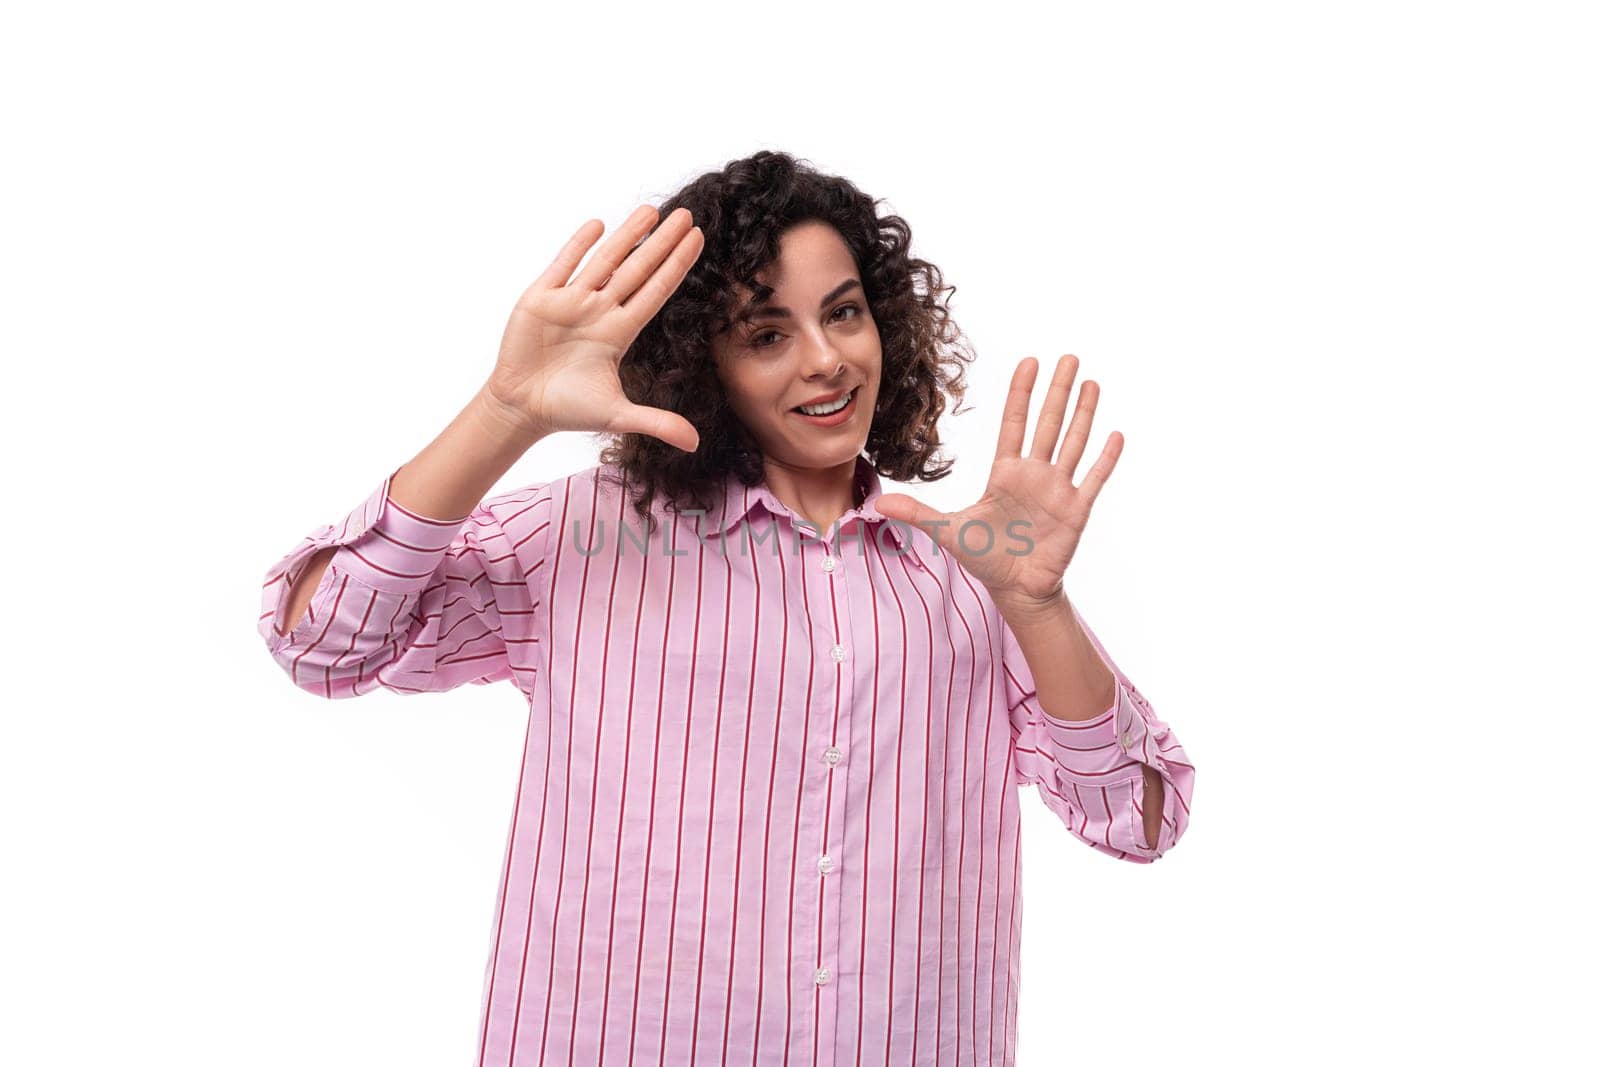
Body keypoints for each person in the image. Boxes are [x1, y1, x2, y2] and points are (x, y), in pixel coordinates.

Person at [258, 150, 1194, 1066]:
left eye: (844, 313)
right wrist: (506, 410)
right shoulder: (586, 534)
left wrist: (1037, 603)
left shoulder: (968, 573)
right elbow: (320, 642)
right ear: (702, 363)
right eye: (766, 334)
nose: (827, 361)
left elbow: (1141, 817)